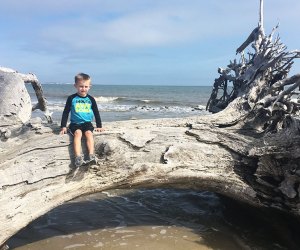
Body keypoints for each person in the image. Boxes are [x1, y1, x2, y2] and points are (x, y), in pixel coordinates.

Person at [60, 73, 105, 167]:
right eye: (81, 86)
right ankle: (78, 157)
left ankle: (91, 155)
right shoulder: (72, 98)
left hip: (87, 123)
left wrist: (99, 126)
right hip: (75, 124)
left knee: (89, 133)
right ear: (75, 86)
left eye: (86, 86)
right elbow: (65, 112)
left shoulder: (91, 99)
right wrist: (63, 126)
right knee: (78, 134)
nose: (83, 89)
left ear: (89, 87)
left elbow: (96, 112)